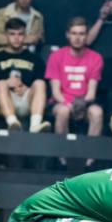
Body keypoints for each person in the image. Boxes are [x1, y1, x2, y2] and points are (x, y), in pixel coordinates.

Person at [45, 17, 104, 167]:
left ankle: (90, 160)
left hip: (85, 102)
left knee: (97, 112)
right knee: (63, 111)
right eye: (74, 33)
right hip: (62, 102)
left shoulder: (96, 58)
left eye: (82, 34)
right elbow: (55, 92)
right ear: (68, 35)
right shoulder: (56, 56)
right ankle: (62, 159)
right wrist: (68, 104)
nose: (77, 38)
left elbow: (91, 92)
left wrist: (82, 104)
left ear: (87, 35)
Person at [0, 18, 49, 133]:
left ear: (25, 36)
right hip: (4, 100)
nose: (16, 38)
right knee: (1, 83)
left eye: (20, 34)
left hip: (28, 99)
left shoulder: (35, 59)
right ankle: (13, 123)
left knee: (40, 83)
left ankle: (35, 126)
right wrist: (7, 83)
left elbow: (45, 86)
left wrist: (27, 88)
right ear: (6, 35)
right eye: (12, 34)